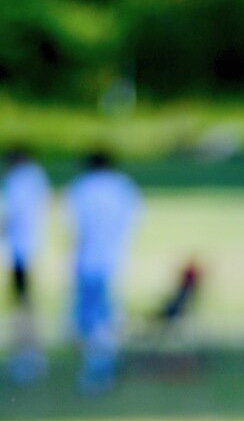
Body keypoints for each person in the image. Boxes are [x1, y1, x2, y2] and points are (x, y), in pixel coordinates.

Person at [64, 149, 142, 391]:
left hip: (87, 260)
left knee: (91, 319)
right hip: (114, 260)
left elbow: (73, 226)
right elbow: (133, 220)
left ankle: (98, 370)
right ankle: (103, 365)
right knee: (106, 316)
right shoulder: (123, 187)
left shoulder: (81, 187)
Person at [2, 146, 51, 383]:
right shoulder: (35, 177)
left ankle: (27, 354)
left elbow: (9, 215)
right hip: (31, 246)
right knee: (25, 301)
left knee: (23, 303)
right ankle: (29, 352)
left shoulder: (18, 181)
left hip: (19, 249)